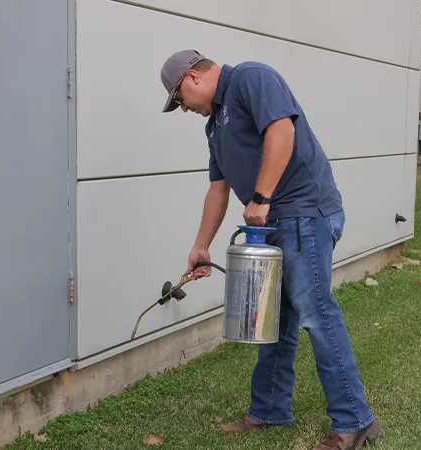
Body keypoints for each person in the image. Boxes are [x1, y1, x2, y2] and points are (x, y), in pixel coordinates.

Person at [159, 49, 380, 450]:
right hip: (274, 223)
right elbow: (218, 188)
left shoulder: (250, 78)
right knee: (274, 319)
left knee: (316, 311)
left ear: (191, 78)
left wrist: (261, 197)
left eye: (179, 101)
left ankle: (354, 419)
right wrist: (201, 246)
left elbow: (282, 130)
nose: (184, 109)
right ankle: (270, 410)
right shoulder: (215, 127)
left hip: (304, 212)